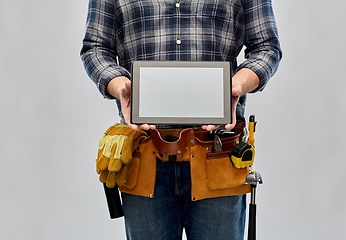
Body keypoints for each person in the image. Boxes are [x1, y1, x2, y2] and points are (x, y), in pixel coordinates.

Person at [81, 0, 281, 239]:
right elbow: (95, 47)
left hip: (217, 153)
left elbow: (266, 47)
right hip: (144, 154)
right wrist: (119, 85)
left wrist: (237, 84)